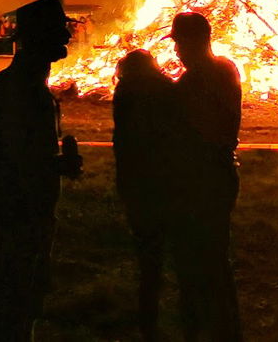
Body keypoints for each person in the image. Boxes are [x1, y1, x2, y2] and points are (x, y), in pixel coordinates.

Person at [0, 0, 82, 341]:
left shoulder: (26, 89)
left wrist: (56, 166)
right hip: (18, 217)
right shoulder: (15, 93)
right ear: (36, 38)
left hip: (26, 214)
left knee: (23, 301)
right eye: (58, 31)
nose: (66, 38)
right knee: (14, 303)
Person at [169, 11, 243, 342]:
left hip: (202, 178)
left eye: (180, 43)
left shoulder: (194, 82)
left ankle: (205, 325)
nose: (177, 51)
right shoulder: (227, 69)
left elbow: (189, 131)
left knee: (199, 256)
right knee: (215, 254)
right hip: (222, 172)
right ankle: (225, 325)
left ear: (197, 41)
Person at [114, 49, 180, 341]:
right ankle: (185, 314)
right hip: (168, 180)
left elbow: (124, 138)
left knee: (148, 254)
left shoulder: (125, 91)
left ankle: (148, 318)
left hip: (139, 181)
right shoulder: (166, 88)